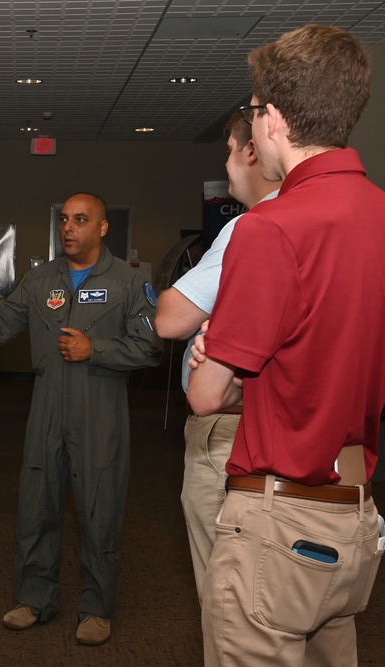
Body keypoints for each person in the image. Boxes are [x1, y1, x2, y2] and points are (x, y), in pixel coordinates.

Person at [187, 24, 385, 666]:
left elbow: (206, 395)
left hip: (277, 525)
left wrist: (226, 361)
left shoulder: (271, 228)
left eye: (255, 110)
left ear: (275, 120)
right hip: (351, 515)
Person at [0, 193, 162, 646]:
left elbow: (150, 346)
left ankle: (96, 608)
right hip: (47, 410)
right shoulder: (40, 279)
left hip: (100, 413)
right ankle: (35, 599)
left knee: (99, 513)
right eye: (65, 220)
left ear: (103, 228)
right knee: (37, 507)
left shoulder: (129, 283)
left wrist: (97, 350)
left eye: (81, 220)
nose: (69, 228)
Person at [155, 112, 281, 604]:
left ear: (252, 152)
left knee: (227, 598)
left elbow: (170, 319)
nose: (227, 166)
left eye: (229, 151)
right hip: (290, 437)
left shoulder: (249, 229)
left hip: (229, 431)